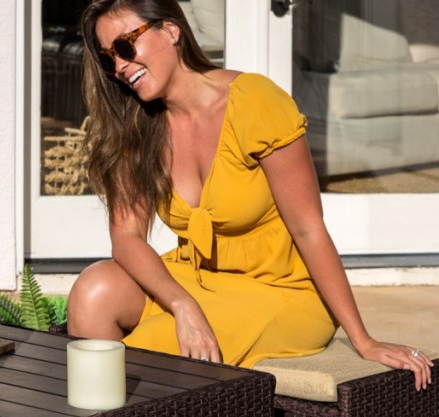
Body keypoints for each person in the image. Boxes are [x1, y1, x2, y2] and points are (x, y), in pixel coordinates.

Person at [67, 0, 432, 391]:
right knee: (93, 290)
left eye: (124, 47)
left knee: (157, 348)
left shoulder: (253, 101)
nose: (119, 67)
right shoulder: (137, 126)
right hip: (201, 280)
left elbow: (308, 229)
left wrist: (363, 339)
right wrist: (181, 302)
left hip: (282, 291)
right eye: (108, 60)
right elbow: (126, 237)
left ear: (171, 30)